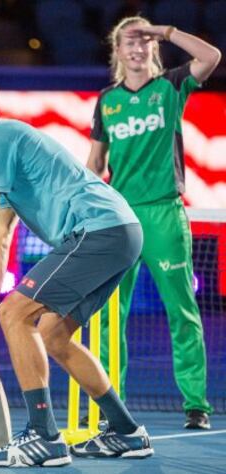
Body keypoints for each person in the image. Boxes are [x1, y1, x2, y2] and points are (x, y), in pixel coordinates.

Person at [0, 66, 154, 468]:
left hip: (99, 229)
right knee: (53, 333)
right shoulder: (4, 148)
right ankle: (126, 431)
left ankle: (43, 436)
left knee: (14, 311)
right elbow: (0, 237)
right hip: (120, 232)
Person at [85, 16, 221, 430]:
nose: (137, 47)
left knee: (182, 311)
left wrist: (165, 31)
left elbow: (212, 56)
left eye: (144, 41)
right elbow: (95, 164)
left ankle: (195, 404)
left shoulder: (172, 86)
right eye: (130, 40)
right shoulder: (107, 101)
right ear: (118, 50)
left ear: (153, 48)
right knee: (111, 319)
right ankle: (114, 408)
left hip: (164, 214)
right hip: (120, 219)